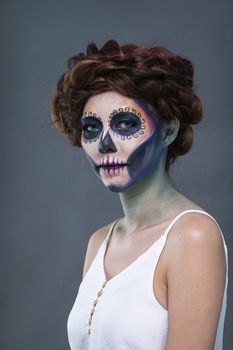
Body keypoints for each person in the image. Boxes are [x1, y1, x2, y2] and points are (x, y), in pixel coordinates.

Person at [50, 39, 228, 350]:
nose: (105, 143)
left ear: (168, 130)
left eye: (126, 124)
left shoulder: (192, 235)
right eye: (91, 128)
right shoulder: (99, 242)